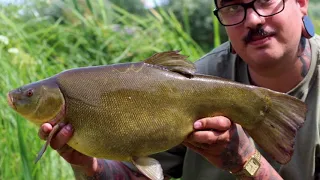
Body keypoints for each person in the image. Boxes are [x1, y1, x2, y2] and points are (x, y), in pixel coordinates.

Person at [38, 0, 320, 179]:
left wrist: (246, 161)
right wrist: (91, 168)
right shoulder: (194, 79)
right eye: (233, 6)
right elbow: (145, 172)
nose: (253, 19)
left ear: (301, 3)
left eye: (265, 0)